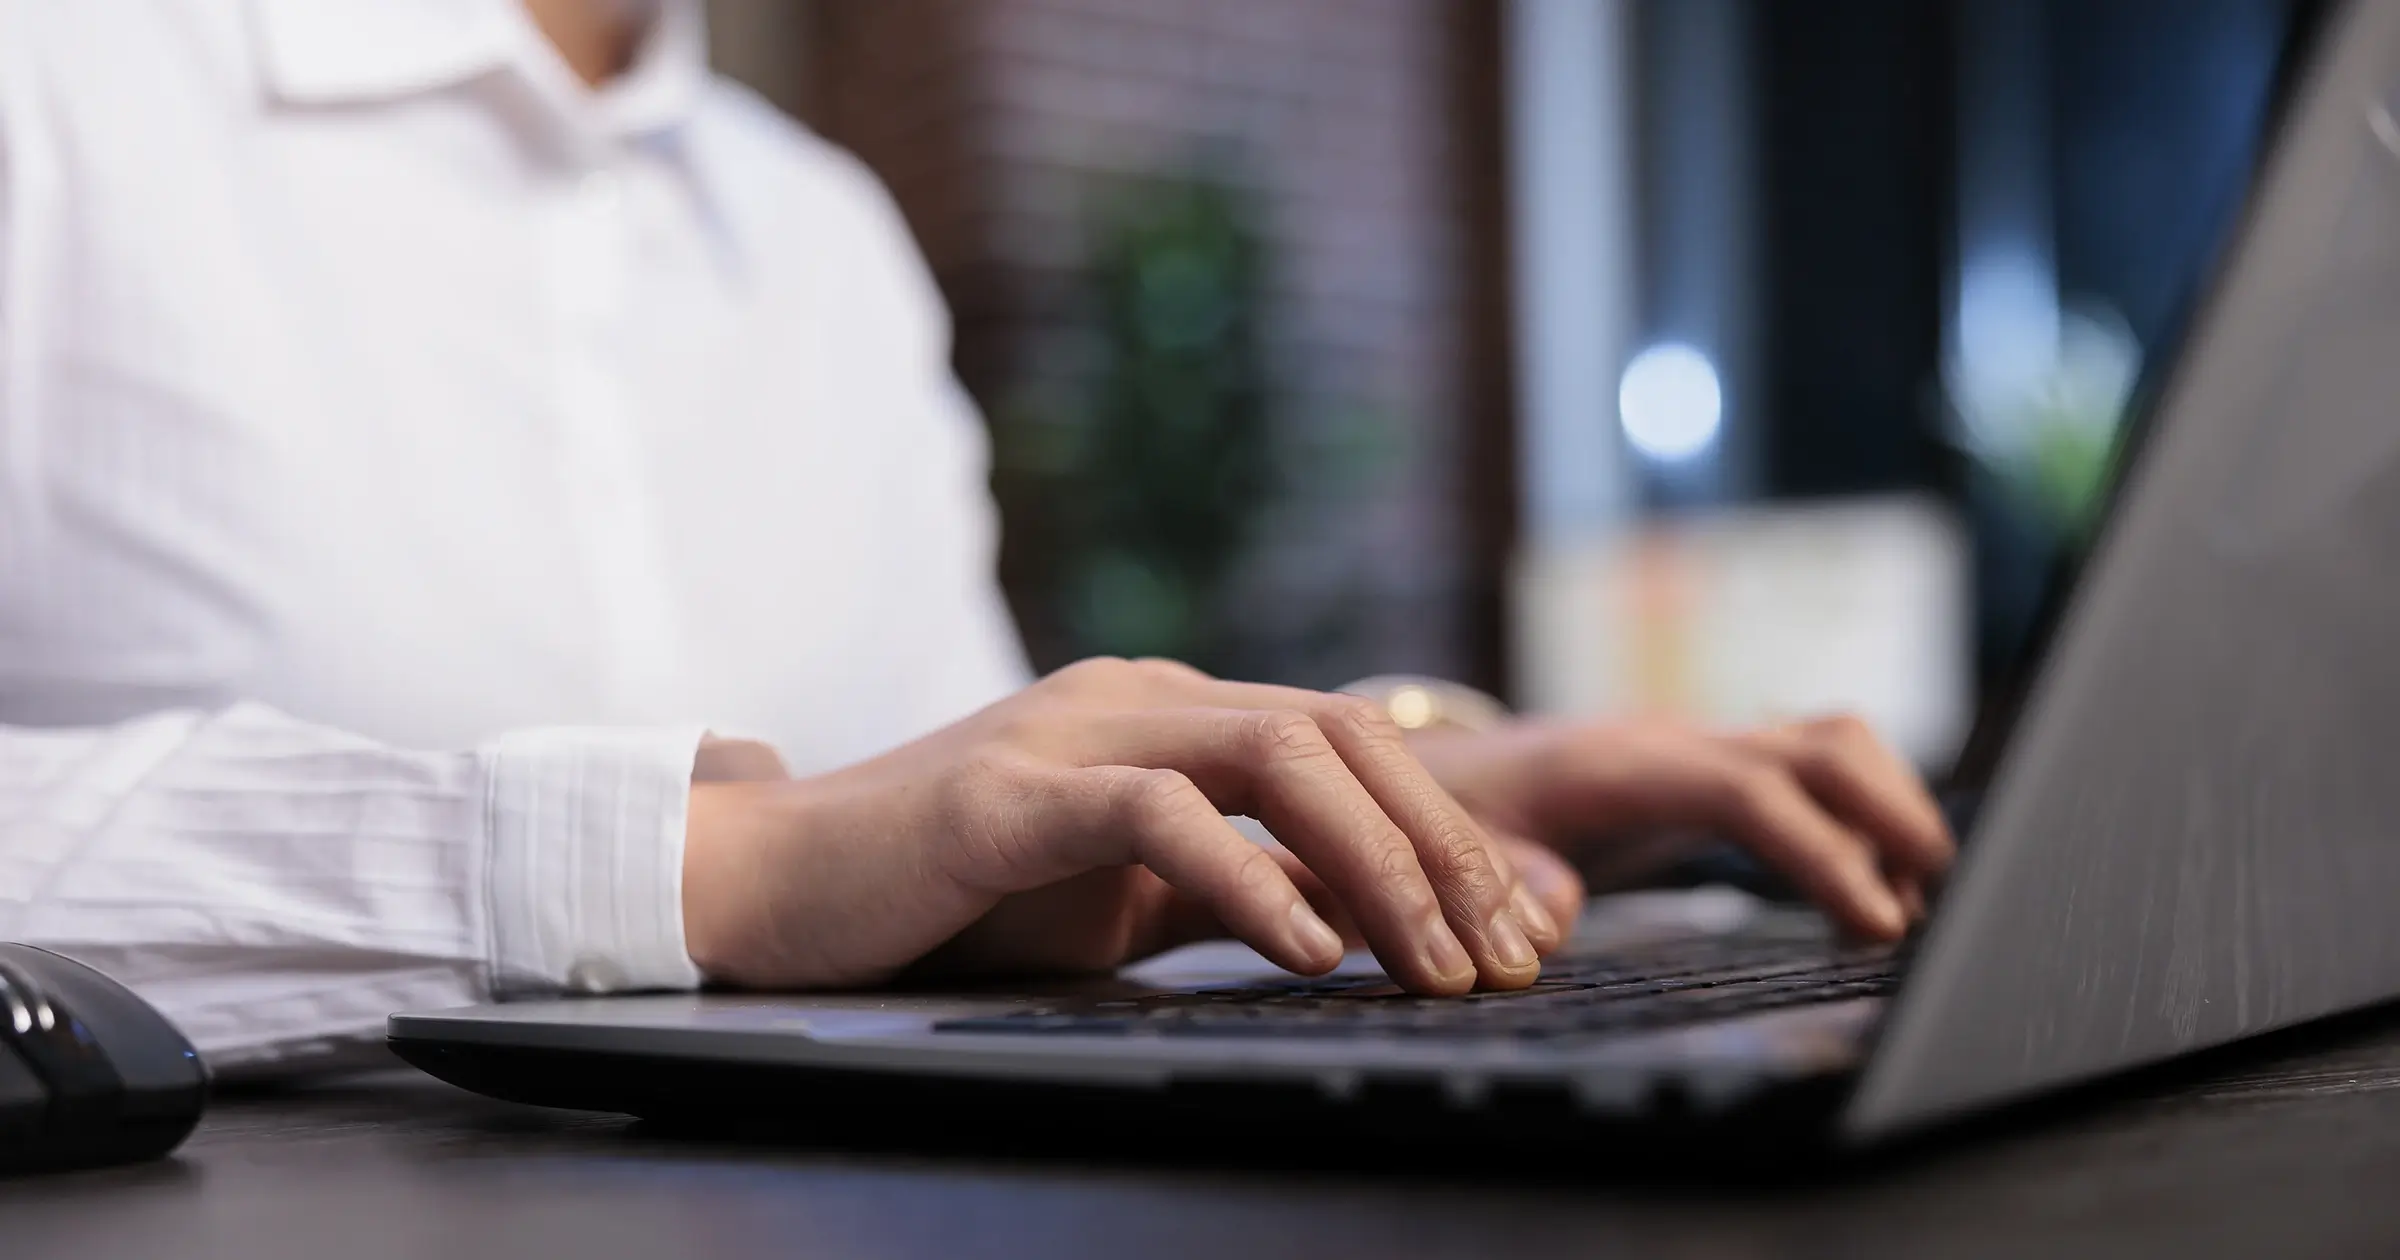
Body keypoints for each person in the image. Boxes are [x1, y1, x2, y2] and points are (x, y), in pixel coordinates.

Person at [0, 0, 1952, 1074]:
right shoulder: (55, 85)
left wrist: (1417, 781)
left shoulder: (816, 230)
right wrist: (719, 864)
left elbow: (948, 820)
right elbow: (810, 856)